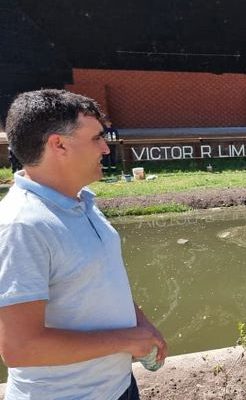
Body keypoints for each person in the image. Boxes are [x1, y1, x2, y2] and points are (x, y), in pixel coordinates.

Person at [0, 89, 167, 399]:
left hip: (118, 387)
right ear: (58, 144)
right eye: (96, 139)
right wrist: (127, 340)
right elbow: (21, 347)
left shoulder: (82, 202)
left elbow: (98, 279)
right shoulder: (21, 224)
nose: (105, 149)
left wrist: (142, 324)